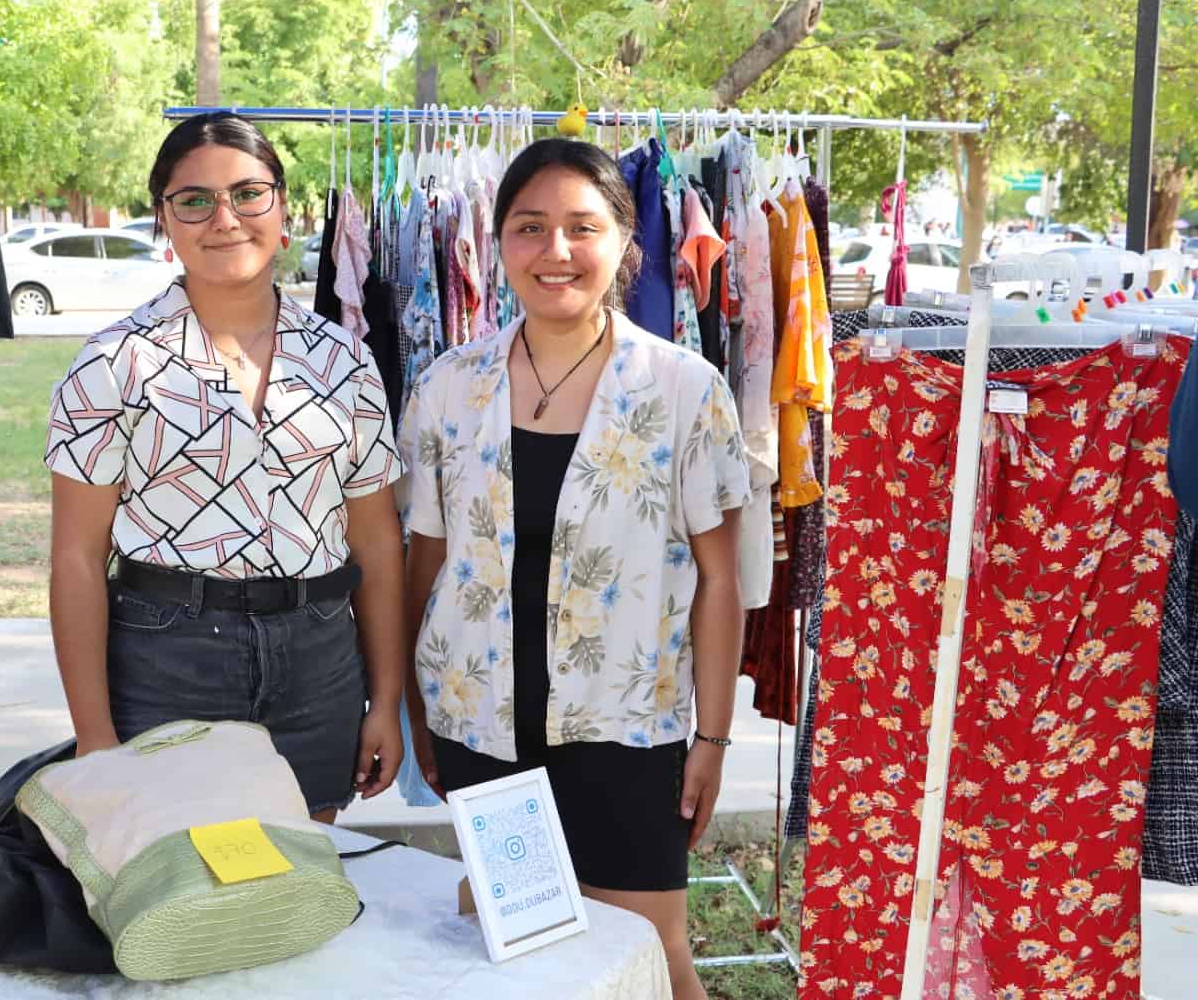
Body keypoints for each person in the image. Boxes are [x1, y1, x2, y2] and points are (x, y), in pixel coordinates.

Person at [398, 138, 750, 999]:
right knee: (514, 945)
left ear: (627, 243)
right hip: (483, 722)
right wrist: (417, 707)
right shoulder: (449, 385)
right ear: (498, 244)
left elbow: (719, 580)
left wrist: (709, 738)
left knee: (653, 955)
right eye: (530, 227)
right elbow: (427, 559)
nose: (555, 251)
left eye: (581, 228)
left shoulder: (684, 388)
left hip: (628, 726)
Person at [44, 113, 407, 822]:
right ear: (164, 220)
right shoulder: (115, 363)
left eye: (248, 193)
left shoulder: (346, 361)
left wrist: (384, 700)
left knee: (304, 882)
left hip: (319, 659)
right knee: (185, 894)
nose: (225, 219)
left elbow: (376, 545)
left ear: (281, 207)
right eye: (194, 200)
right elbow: (77, 559)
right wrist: (94, 737)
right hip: (168, 659)